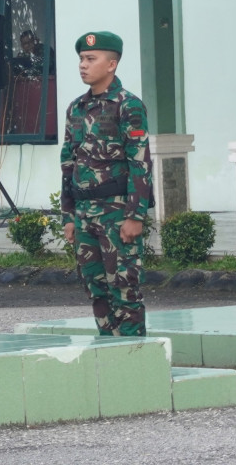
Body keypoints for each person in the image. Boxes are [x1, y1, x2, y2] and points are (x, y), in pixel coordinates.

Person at [60, 31, 153, 337]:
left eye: (90, 59)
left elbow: (140, 162)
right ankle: (109, 355)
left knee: (124, 290)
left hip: (116, 213)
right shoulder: (76, 108)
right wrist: (69, 215)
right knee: (96, 290)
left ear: (111, 64)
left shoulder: (128, 106)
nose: (83, 65)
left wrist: (135, 216)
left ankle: (135, 360)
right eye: (81, 60)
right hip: (85, 214)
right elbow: (68, 163)